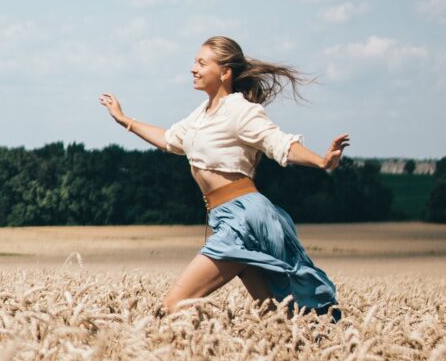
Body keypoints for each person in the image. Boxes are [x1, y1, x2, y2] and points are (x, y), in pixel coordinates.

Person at [98, 35, 349, 319]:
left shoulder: (239, 110)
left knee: (171, 307)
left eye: (202, 63)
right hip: (226, 216)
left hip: (244, 219)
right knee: (276, 317)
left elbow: (278, 142)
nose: (193, 68)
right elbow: (169, 139)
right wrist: (125, 120)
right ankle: (306, 353)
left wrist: (321, 161)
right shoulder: (200, 116)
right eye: (195, 62)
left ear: (225, 72)